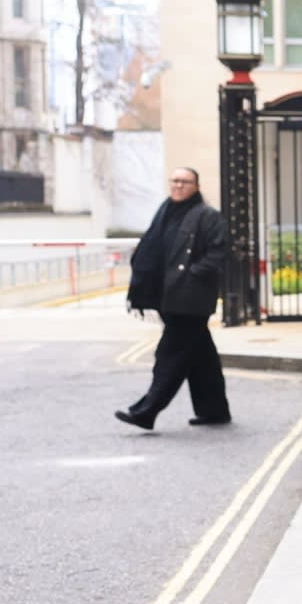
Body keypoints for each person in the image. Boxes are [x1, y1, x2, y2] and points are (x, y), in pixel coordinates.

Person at [117, 167, 232, 431]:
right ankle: (214, 410)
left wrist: (193, 274)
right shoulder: (165, 211)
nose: (178, 186)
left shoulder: (207, 216)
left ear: (196, 186)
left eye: (185, 181)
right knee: (202, 359)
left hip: (190, 300)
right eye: (175, 181)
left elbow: (219, 252)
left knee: (169, 355)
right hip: (170, 297)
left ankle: (146, 411)